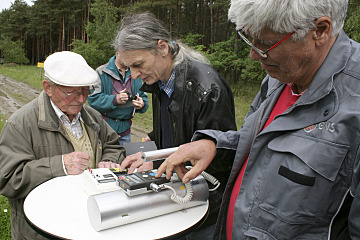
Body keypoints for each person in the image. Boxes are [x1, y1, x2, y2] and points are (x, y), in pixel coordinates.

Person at [156, 0, 360, 239]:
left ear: (320, 30)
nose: (254, 54)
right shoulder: (281, 75)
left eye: (265, 43)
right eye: (249, 38)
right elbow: (261, 146)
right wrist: (215, 146)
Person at [116, 12, 237, 239]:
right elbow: (176, 129)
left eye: (138, 64)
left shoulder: (207, 87)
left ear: (162, 48)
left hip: (204, 208)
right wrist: (150, 153)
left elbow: (223, 154)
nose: (134, 75)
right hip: (179, 196)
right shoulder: (160, 79)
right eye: (128, 67)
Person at [0, 51, 125, 240]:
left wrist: (109, 160)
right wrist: (60, 166)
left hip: (88, 221)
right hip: (44, 230)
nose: (81, 99)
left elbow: (114, 145)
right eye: (72, 92)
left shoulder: (91, 116)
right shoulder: (20, 125)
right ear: (48, 88)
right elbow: (8, 179)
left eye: (85, 91)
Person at [87, 52, 149, 146]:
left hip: (125, 130)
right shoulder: (101, 72)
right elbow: (93, 99)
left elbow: (143, 97)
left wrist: (142, 104)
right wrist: (115, 99)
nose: (129, 58)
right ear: (118, 53)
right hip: (104, 129)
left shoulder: (136, 73)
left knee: (124, 159)